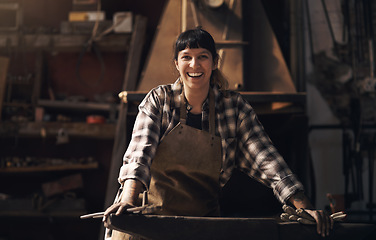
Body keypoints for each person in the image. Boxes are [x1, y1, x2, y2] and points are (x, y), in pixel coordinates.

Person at [103, 27, 333, 239]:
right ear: (176, 63)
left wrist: (304, 206)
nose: (194, 65)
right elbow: (139, 154)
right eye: (186, 57)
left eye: (202, 56)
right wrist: (128, 200)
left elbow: (267, 159)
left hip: (199, 227)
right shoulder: (159, 101)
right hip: (144, 224)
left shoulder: (233, 108)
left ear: (215, 62)